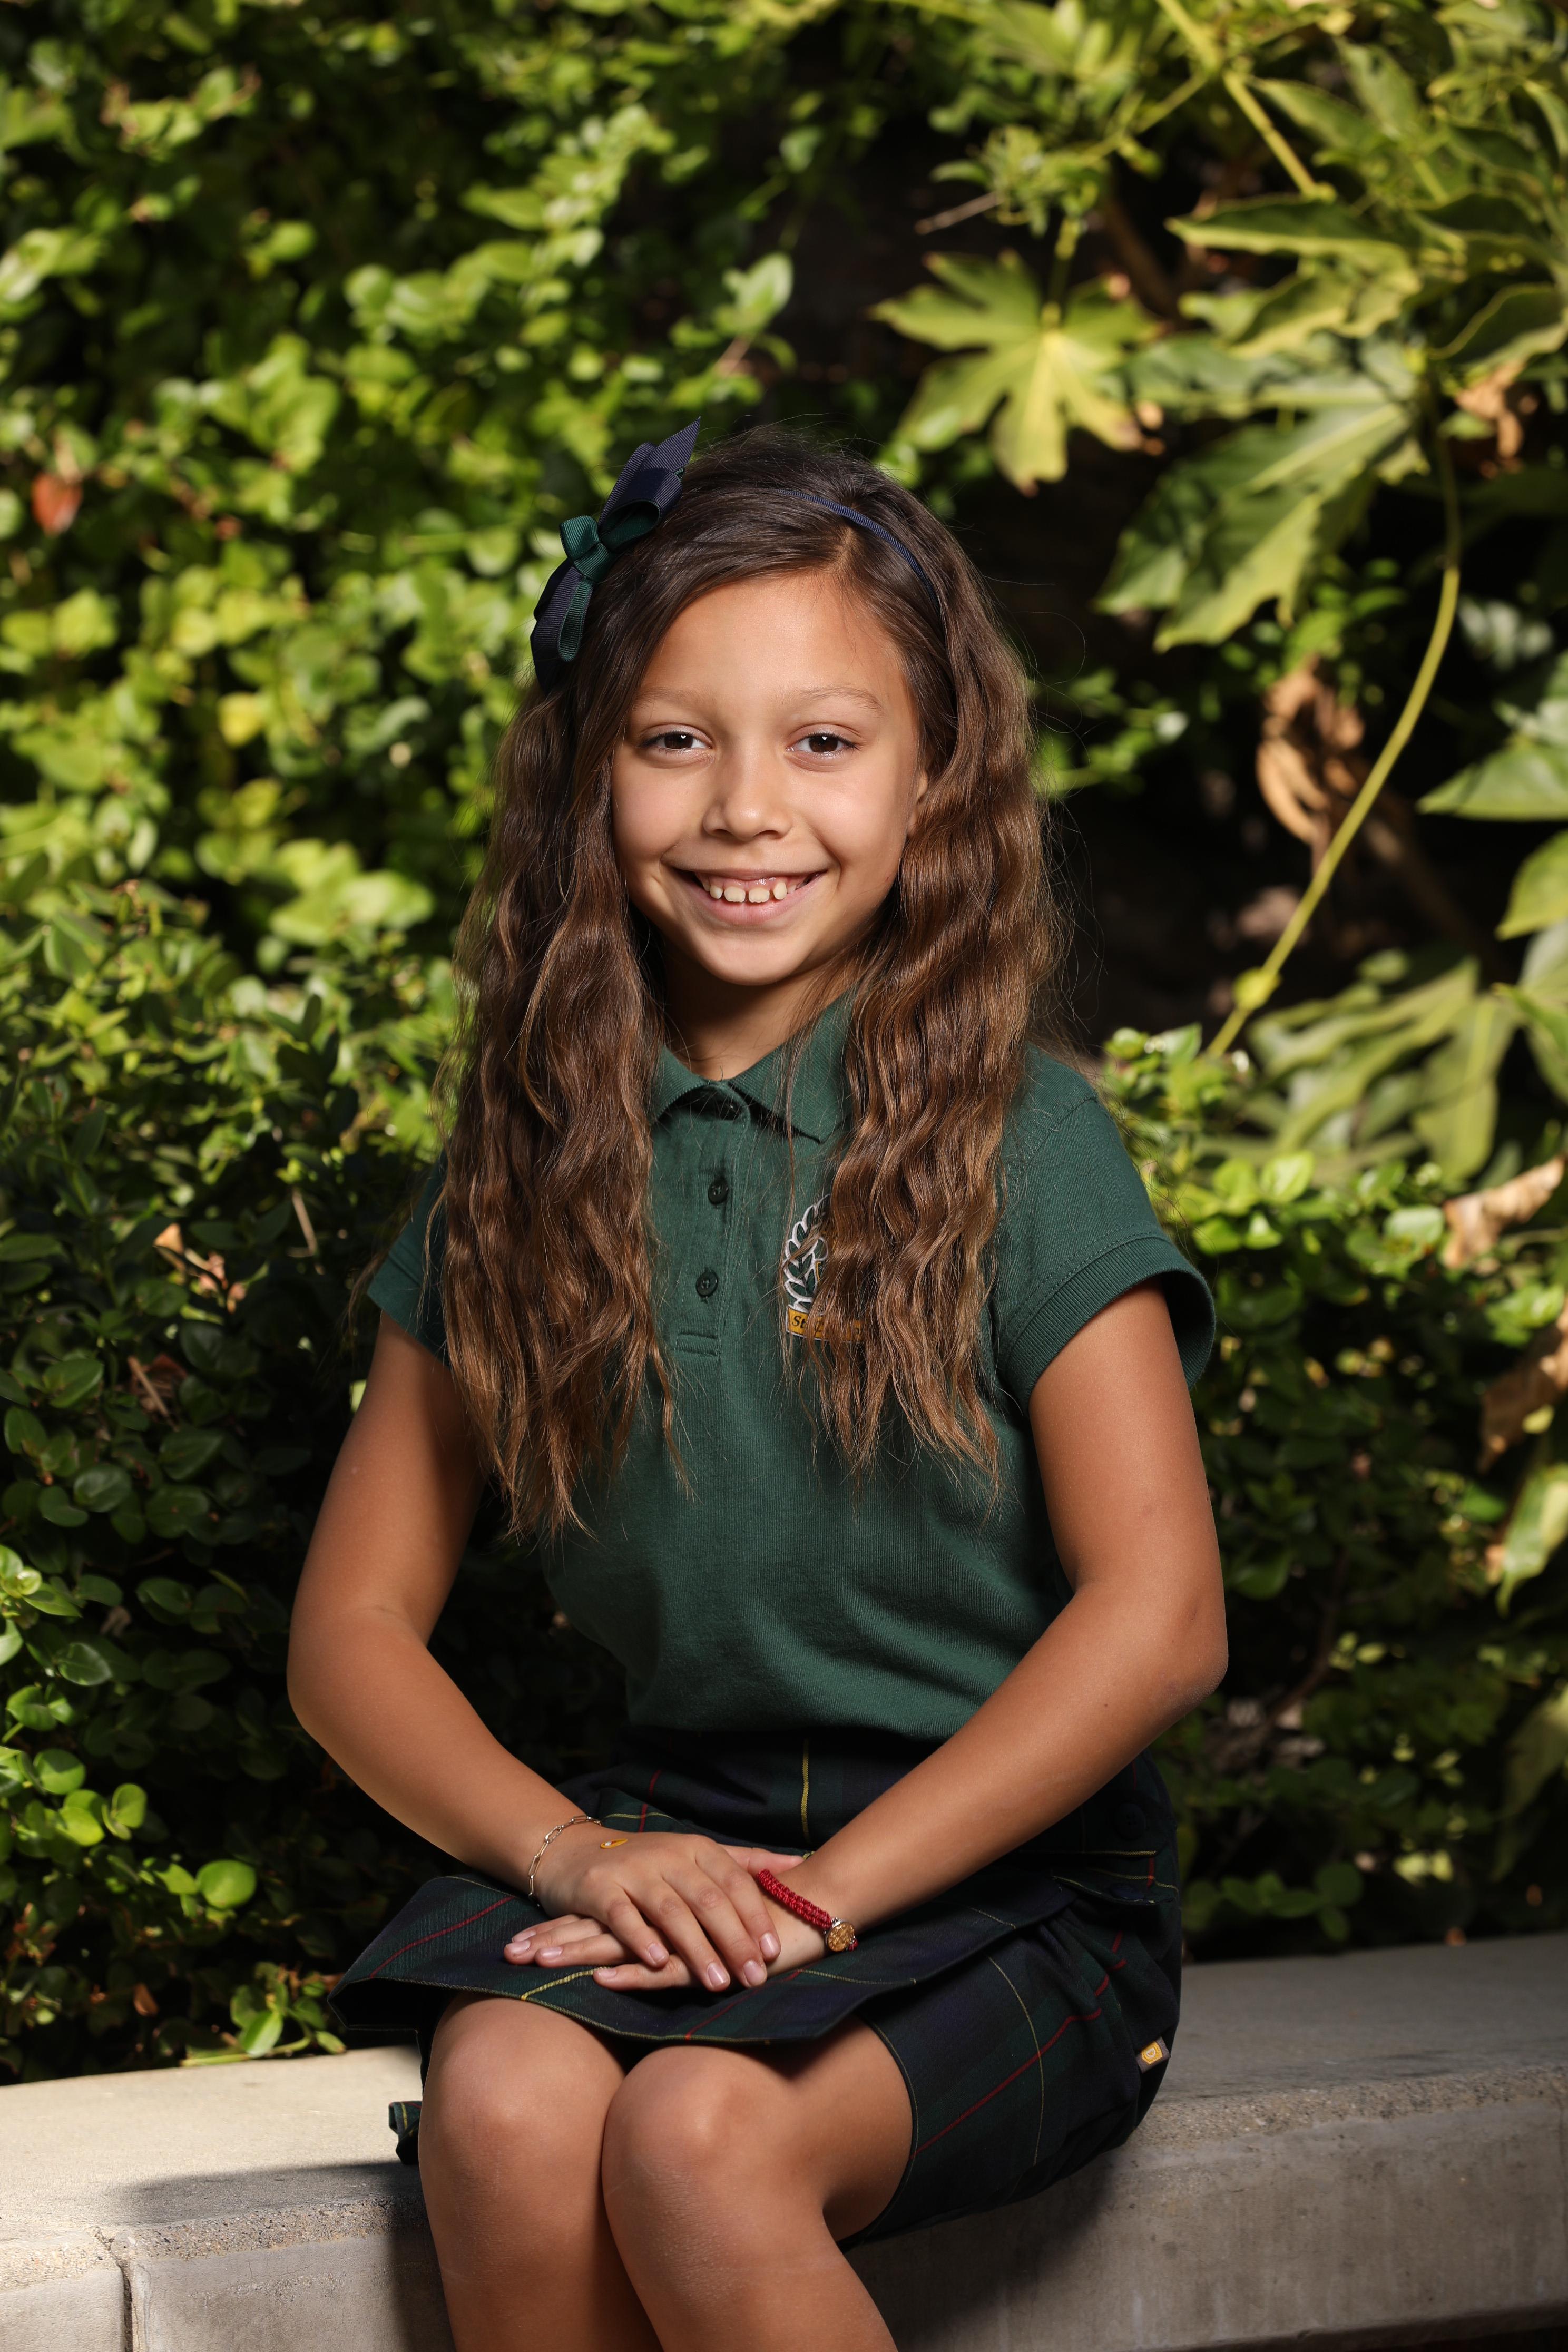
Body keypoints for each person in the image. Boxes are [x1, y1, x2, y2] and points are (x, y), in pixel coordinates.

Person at [287, 417, 1227, 2352]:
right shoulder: (517, 1174)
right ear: (587, 774)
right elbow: (349, 1636)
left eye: (821, 741)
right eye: (672, 739)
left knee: (702, 2138)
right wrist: (585, 1857)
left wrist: (826, 1897)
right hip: (673, 1837)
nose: (743, 809)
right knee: (504, 2105)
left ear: (933, 776)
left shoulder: (1024, 1143)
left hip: (1008, 1877)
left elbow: (1162, 1621)